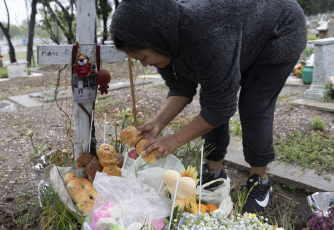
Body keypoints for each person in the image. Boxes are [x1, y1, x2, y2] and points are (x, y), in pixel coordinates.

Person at [110, 0, 307, 213]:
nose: (145, 64)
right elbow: (181, 88)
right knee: (211, 91)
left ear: (155, 39)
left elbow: (220, 107)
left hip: (279, 31)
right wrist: (158, 123)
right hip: (237, 36)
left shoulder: (207, 35)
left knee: (254, 104)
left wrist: (175, 139)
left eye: (143, 57)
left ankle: (260, 179)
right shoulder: (167, 41)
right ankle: (214, 171)